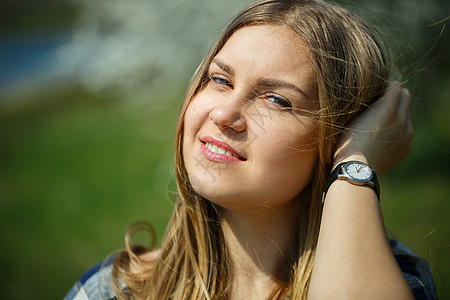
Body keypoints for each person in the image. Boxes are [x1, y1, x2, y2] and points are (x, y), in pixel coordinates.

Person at [64, 0, 437, 299]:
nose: (224, 114)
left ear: (339, 137)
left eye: (276, 99)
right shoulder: (116, 289)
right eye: (220, 79)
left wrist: (356, 163)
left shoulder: (397, 280)